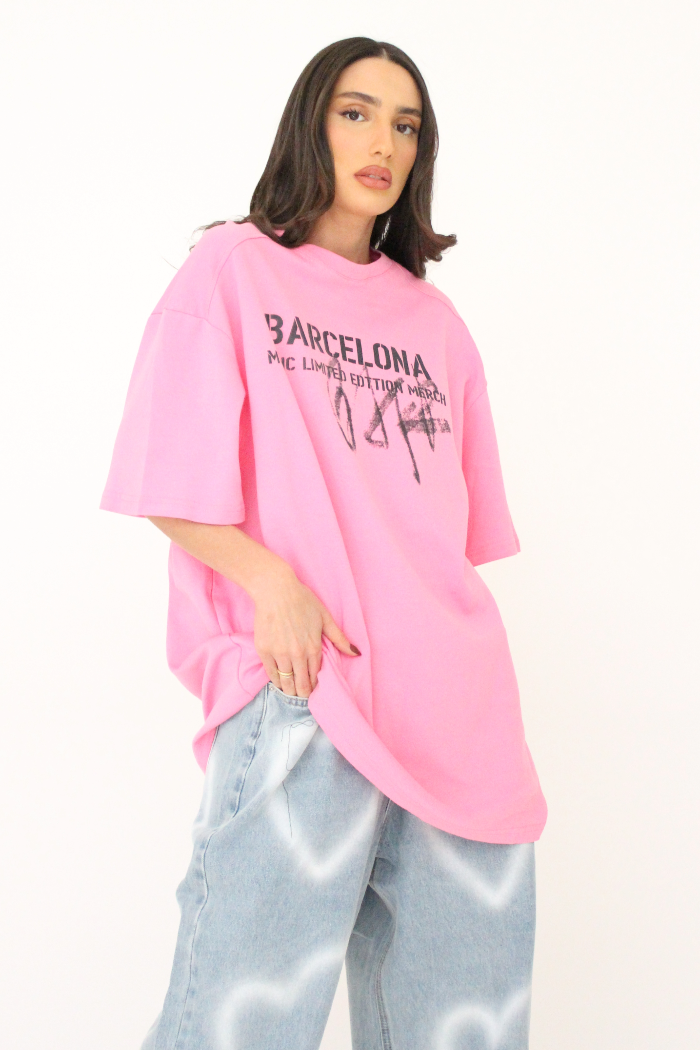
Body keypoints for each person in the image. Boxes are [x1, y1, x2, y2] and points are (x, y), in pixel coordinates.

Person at [100, 35, 547, 1050]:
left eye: (405, 124)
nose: (382, 142)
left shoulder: (437, 325)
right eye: (356, 113)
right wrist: (273, 584)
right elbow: (164, 472)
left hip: (459, 723)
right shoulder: (234, 269)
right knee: (236, 1029)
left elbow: (448, 544)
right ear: (313, 122)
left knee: (465, 1035)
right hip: (309, 693)